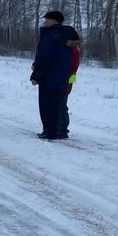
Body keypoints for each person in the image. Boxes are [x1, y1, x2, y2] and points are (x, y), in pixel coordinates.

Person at [30, 10, 75, 140]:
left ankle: (50, 132)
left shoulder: (51, 36)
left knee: (47, 105)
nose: (45, 21)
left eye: (47, 19)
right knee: (55, 105)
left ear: (54, 20)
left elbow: (46, 58)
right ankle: (56, 131)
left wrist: (36, 75)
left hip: (49, 76)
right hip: (60, 76)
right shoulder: (64, 35)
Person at [57, 40, 82, 138]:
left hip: (66, 79)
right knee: (60, 104)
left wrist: (67, 79)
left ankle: (62, 130)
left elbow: (73, 67)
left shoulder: (73, 50)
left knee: (62, 105)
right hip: (67, 79)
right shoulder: (72, 49)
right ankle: (60, 128)